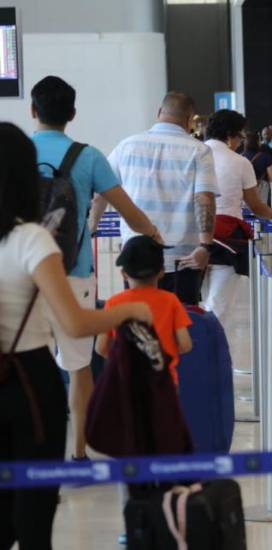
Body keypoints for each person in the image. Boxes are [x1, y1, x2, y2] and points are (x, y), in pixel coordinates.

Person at [0, 122, 152, 549]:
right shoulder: (32, 239)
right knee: (32, 517)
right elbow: (74, 322)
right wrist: (128, 311)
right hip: (30, 382)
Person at [30, 76, 161, 462]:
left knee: (23, 362)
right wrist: (152, 232)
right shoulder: (88, 157)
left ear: (32, 111)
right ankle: (78, 451)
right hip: (74, 272)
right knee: (78, 365)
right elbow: (130, 213)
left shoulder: (15, 152)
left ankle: (33, 450)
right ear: (72, 114)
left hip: (22, 274)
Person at [108, 91, 217, 305]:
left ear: (159, 112)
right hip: (184, 258)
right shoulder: (200, 150)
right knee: (182, 324)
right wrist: (205, 246)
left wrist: (93, 224)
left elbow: (104, 189)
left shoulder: (127, 145)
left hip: (138, 253)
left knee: (139, 326)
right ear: (189, 120)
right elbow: (204, 197)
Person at [202, 110, 272, 332]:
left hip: (192, 235)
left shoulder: (193, 155)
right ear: (231, 135)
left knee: (199, 301)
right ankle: (212, 354)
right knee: (218, 305)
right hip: (228, 239)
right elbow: (256, 205)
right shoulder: (239, 162)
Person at [95, 236, 193, 385]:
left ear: (124, 274)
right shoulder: (171, 301)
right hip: (164, 382)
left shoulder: (113, 303)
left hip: (126, 381)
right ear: (162, 272)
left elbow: (101, 348)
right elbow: (185, 344)